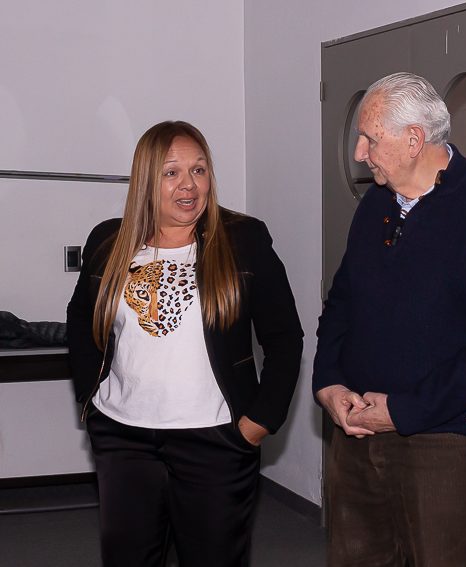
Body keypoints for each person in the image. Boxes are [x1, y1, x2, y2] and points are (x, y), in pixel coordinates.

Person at [313, 73, 466, 567]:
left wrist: (405, 410)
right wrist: (328, 381)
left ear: (414, 140)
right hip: (359, 433)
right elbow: (342, 302)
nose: (359, 153)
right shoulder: (376, 205)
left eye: (370, 138)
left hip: (450, 442)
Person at [67, 120, 303, 567]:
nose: (188, 185)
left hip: (216, 440)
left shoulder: (244, 240)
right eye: (171, 172)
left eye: (199, 170)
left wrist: (260, 422)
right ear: (146, 180)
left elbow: (284, 337)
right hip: (123, 438)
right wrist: (90, 397)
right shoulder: (108, 241)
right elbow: (80, 319)